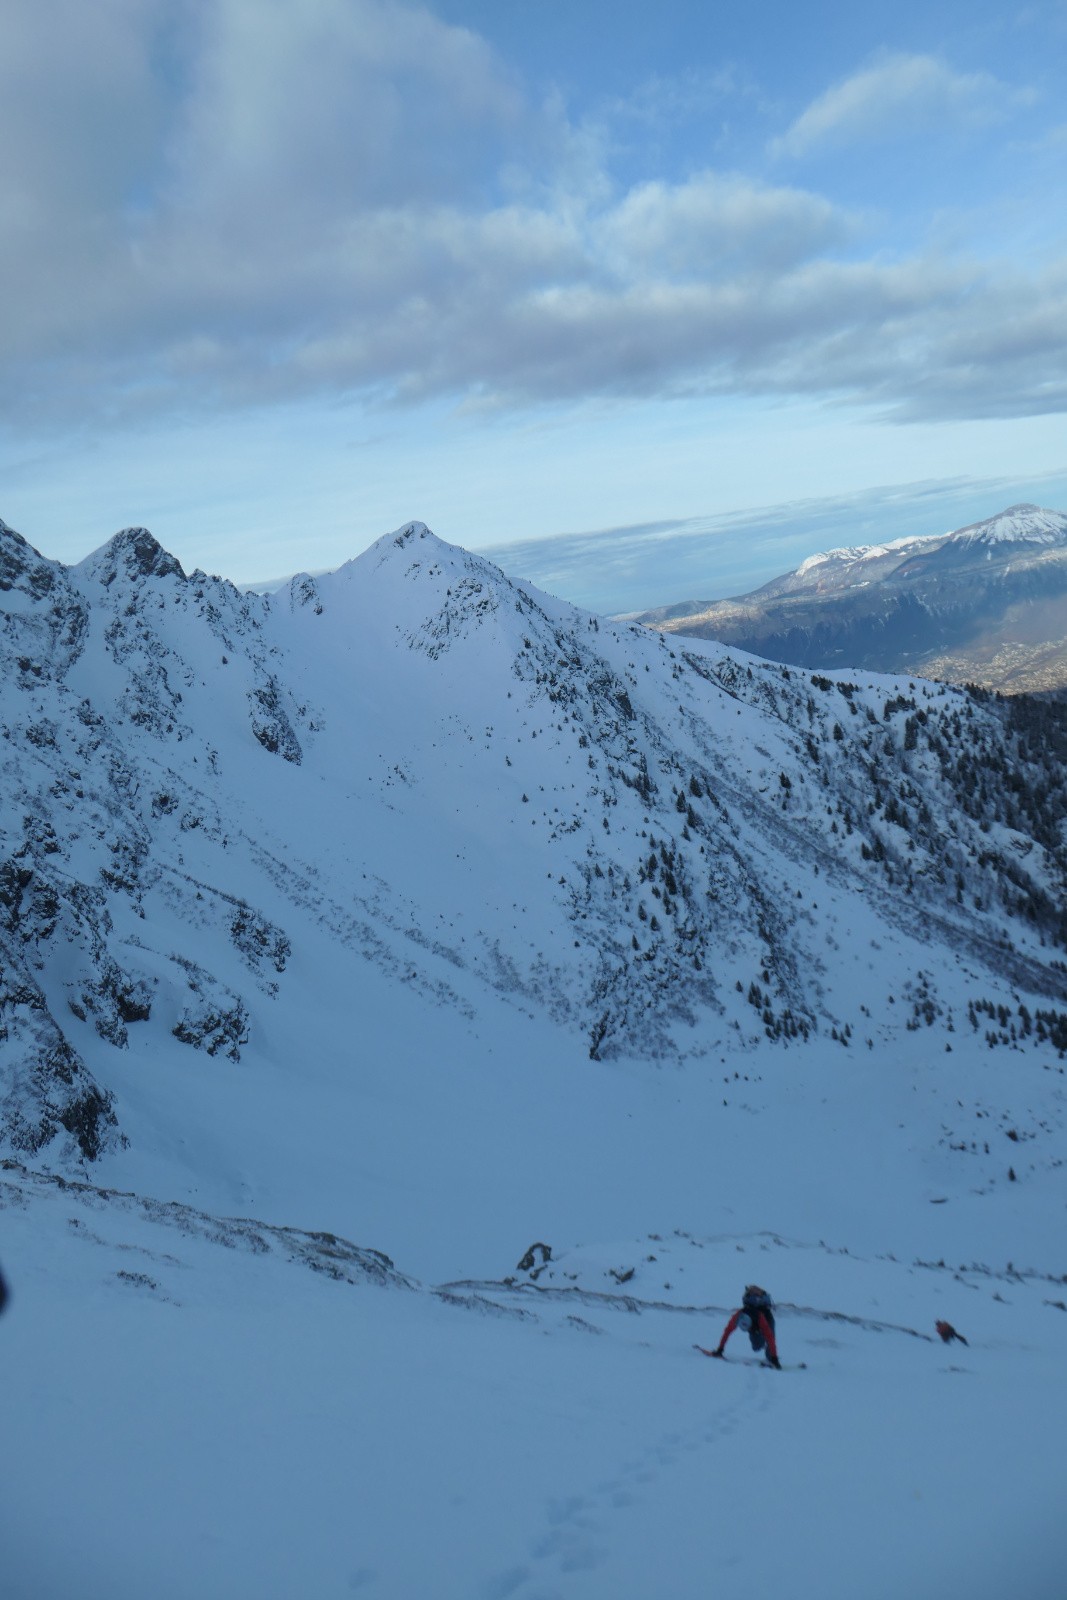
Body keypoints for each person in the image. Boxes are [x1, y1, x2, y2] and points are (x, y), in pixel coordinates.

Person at [710, 1284, 780, 1367]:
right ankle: (765, 1346)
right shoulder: (738, 1315)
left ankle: (770, 1356)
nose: (748, 1329)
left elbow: (770, 1337)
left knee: (769, 1341)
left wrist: (774, 1358)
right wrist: (720, 1349)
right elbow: (727, 1331)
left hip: (768, 1320)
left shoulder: (760, 1317)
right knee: (756, 1347)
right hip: (756, 1329)